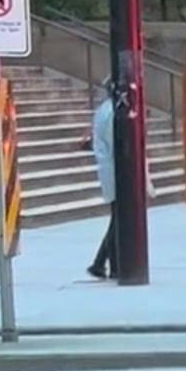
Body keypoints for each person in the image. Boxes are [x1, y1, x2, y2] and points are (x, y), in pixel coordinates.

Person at [83, 80, 123, 280]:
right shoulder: (112, 113)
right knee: (118, 218)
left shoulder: (105, 110)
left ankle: (109, 264)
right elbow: (116, 143)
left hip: (110, 169)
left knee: (117, 216)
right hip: (115, 170)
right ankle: (102, 262)